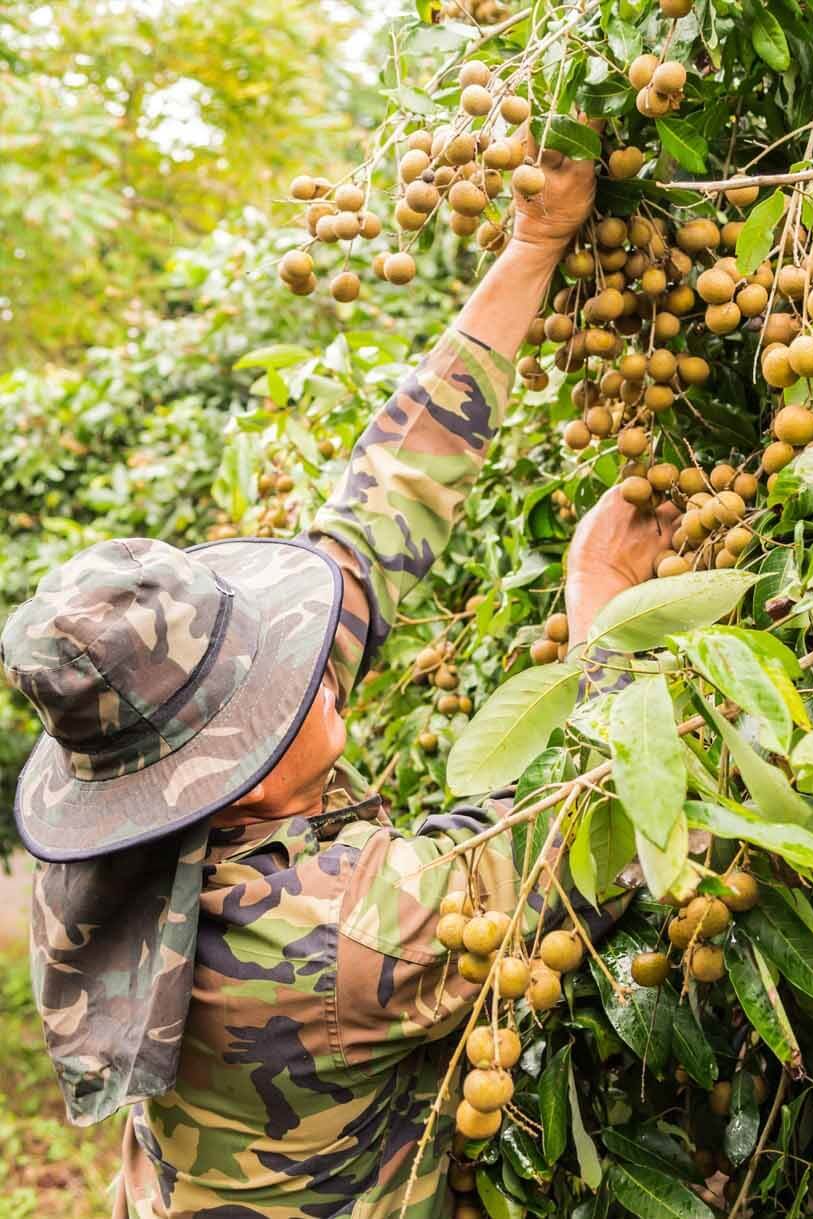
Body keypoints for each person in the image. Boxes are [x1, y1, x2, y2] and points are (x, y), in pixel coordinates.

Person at [1, 143, 676, 1219]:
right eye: (284, 682)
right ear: (249, 774)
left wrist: (533, 245)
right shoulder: (344, 936)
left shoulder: (126, 842)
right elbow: (586, 833)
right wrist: (604, 601)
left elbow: (382, 507)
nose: (316, 669)